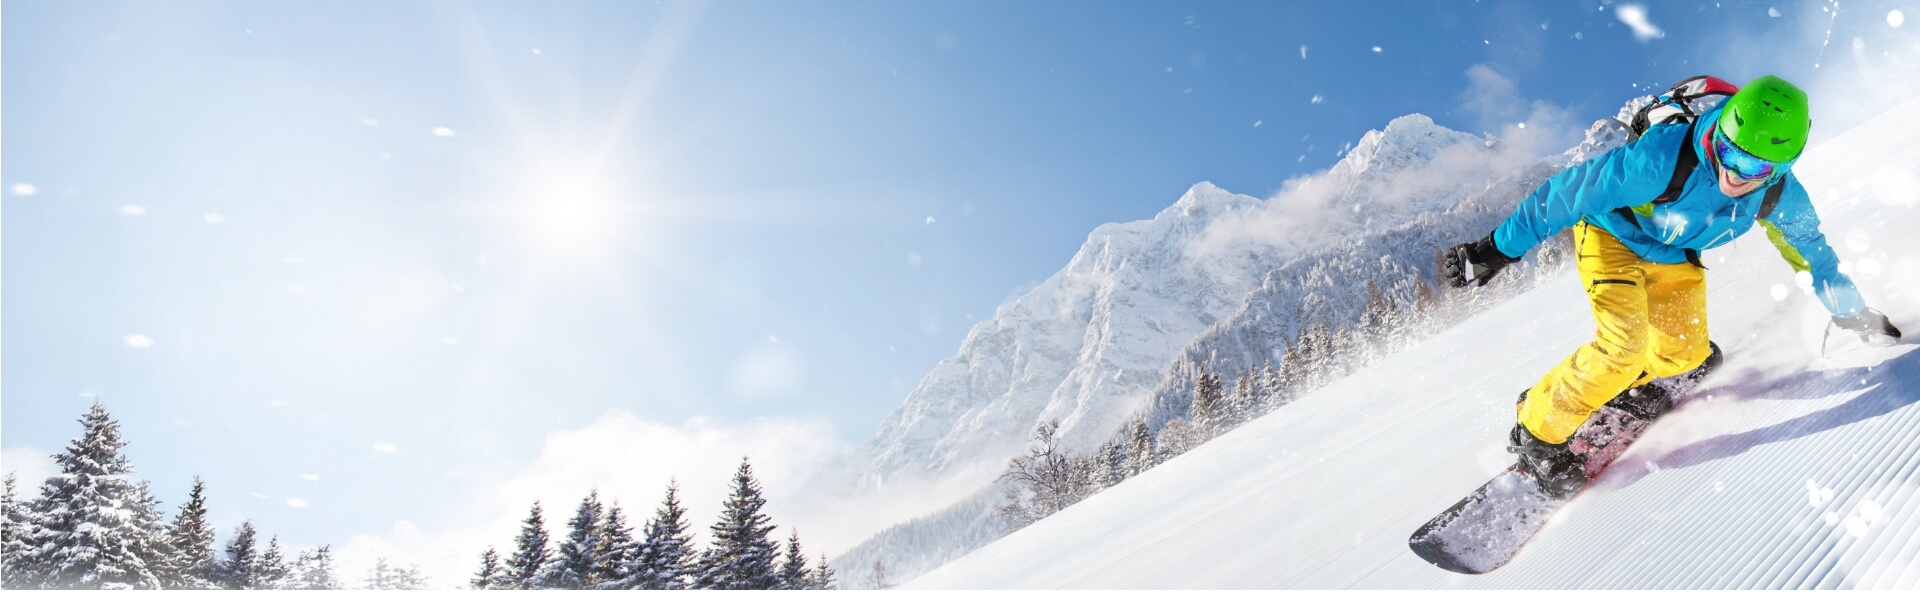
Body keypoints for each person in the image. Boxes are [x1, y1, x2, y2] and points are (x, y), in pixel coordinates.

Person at [1441, 74, 1902, 497]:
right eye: (1729, 153)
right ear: (1719, 134)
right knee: (1623, 346)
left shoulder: (1780, 195)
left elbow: (1812, 253)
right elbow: (1566, 193)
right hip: (1611, 236)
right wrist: (1493, 250)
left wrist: (1849, 311)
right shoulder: (1661, 158)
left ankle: (1631, 383)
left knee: (1685, 356)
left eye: (1755, 169)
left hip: (1672, 253)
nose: (1735, 174)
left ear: (1782, 167)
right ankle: (1537, 430)